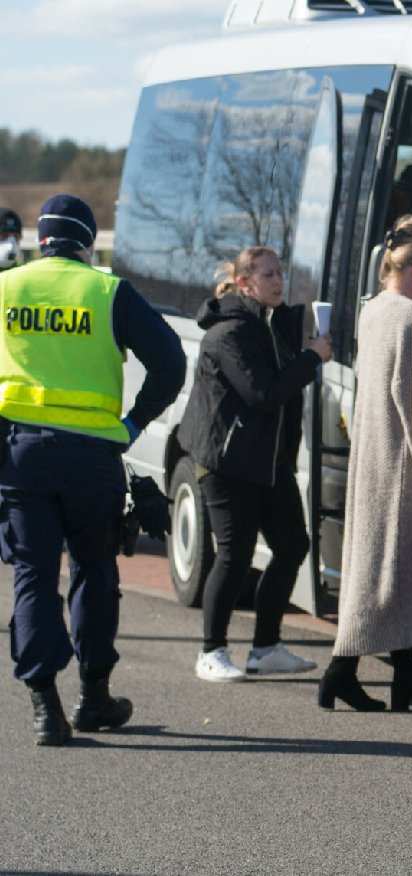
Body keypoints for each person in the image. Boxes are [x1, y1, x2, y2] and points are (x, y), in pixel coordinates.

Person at [1, 194, 185, 744]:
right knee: (95, 571)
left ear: (41, 240)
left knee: (33, 577)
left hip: (19, 456)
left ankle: (43, 706)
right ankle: (93, 696)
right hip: (91, 458)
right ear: (85, 243)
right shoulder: (107, 291)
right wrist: (132, 425)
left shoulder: (7, 288)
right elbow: (171, 362)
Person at [317, 217, 412, 711]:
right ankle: (342, 669)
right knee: (400, 576)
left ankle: (403, 679)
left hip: (376, 460)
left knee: (387, 574)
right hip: (406, 466)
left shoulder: (374, 311)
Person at [179, 246, 330, 683]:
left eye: (281, 272)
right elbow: (262, 392)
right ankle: (212, 650)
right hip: (226, 461)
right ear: (245, 283)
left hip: (267, 461)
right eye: (268, 275)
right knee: (234, 554)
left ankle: (265, 648)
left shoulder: (268, 323)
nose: (278, 281)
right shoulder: (227, 333)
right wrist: (310, 358)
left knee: (292, 546)